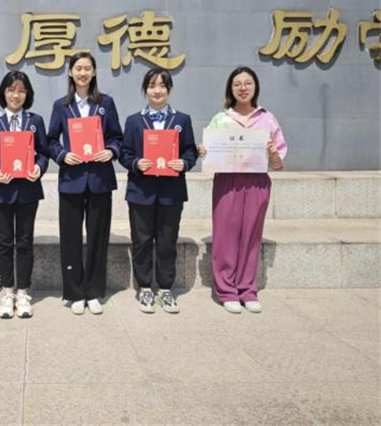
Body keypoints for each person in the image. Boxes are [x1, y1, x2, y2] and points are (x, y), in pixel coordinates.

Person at [198, 66, 287, 314]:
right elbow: (210, 153)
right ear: (231, 89)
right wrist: (204, 151)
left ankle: (247, 289)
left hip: (257, 182)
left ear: (256, 87)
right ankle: (227, 291)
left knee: (251, 235)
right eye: (237, 84)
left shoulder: (267, 118)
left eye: (248, 83)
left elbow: (277, 163)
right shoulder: (221, 119)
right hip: (227, 182)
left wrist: (272, 153)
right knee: (225, 235)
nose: (243, 88)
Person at [47, 52, 123, 315]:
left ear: (94, 72)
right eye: (78, 68)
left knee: (98, 237)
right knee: (70, 237)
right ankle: (74, 292)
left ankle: (93, 291)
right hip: (72, 180)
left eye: (87, 68)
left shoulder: (106, 103)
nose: (82, 73)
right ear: (70, 72)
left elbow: (117, 137)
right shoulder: (61, 106)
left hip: (100, 179)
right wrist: (62, 155)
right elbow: (50, 140)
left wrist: (111, 151)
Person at [119, 69, 198, 314]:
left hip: (171, 191)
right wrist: (136, 163)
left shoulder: (182, 120)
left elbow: (190, 151)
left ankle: (165, 289)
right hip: (141, 191)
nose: (157, 90)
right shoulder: (134, 121)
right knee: (141, 241)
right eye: (152, 85)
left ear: (169, 89)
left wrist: (184, 163)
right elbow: (124, 153)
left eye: (162, 86)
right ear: (145, 89)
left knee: (167, 241)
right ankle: (144, 287)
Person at [0, 71, 49, 319]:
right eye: (11, 90)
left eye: (21, 90)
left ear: (27, 94)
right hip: (1, 190)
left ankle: (23, 293)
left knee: (25, 242)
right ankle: (7, 293)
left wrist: (39, 167)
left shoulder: (35, 121)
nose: (15, 95)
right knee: (4, 242)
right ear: (3, 93)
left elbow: (43, 153)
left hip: (28, 190)